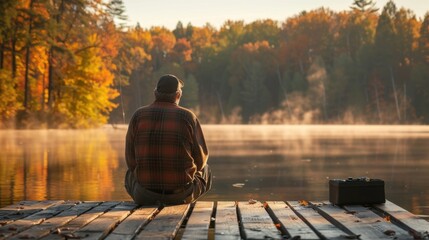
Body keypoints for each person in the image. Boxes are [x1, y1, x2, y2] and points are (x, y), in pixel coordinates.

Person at [125, 74, 212, 206]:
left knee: (129, 174)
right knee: (206, 169)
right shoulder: (188, 117)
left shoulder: (138, 115)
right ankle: (184, 203)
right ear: (178, 95)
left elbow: (130, 162)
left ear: (155, 93)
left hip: (144, 196)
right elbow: (200, 162)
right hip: (180, 196)